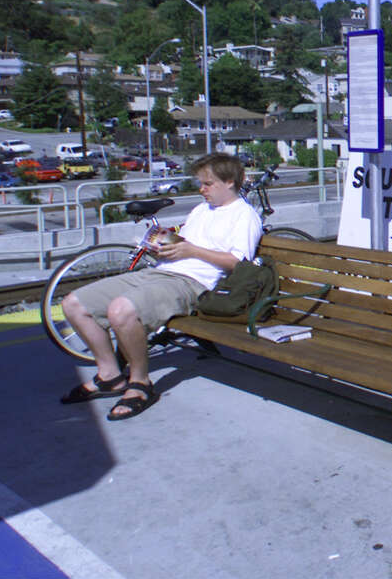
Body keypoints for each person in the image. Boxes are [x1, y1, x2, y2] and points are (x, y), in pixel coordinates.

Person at [59, 153, 262, 420]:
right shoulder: (201, 210)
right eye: (200, 183)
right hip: (160, 273)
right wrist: (164, 248)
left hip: (191, 284)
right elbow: (184, 246)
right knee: (73, 304)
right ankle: (110, 376)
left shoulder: (244, 216)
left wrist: (191, 251)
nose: (201, 189)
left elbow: (238, 264)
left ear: (230, 182)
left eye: (207, 184)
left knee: (121, 311)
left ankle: (140, 382)